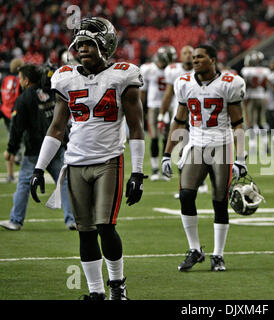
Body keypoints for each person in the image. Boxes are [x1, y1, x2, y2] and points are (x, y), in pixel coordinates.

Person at [29, 17, 146, 300]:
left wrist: (138, 172)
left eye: (89, 44)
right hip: (75, 162)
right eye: (79, 44)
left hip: (109, 160)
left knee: (106, 227)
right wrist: (39, 168)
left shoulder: (123, 74)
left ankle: (117, 286)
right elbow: (57, 127)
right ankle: (96, 292)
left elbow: (136, 126)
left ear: (105, 46)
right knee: (85, 232)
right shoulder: (65, 77)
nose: (82, 49)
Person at [161, 44, 247, 272]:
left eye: (200, 57)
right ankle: (195, 249)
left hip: (222, 145)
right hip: (196, 145)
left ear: (213, 59)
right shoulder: (184, 82)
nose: (195, 60)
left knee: (220, 200)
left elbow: (238, 124)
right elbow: (179, 121)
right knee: (186, 195)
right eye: (194, 57)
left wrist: (241, 158)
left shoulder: (230, 83)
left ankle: (218, 254)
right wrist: (167, 154)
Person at [0, 64, 76, 231]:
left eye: (20, 78)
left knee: (24, 184)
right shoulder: (48, 94)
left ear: (26, 81)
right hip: (55, 146)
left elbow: (17, 128)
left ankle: (16, 220)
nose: (19, 81)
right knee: (64, 182)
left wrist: (11, 150)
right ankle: (71, 220)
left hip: (35, 150)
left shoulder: (23, 99)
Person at [157, 45, 208, 195]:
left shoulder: (200, 70)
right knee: (181, 151)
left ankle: (201, 181)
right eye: (184, 52)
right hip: (179, 115)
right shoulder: (173, 70)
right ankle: (185, 185)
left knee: (199, 149)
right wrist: (162, 114)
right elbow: (168, 95)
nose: (187, 55)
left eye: (190, 53)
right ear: (180, 55)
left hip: (197, 116)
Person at [140, 45, 176, 180]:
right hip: (154, 106)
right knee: (154, 137)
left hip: (169, 106)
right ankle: (155, 169)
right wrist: (142, 109)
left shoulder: (173, 70)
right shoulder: (148, 69)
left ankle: (165, 169)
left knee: (167, 139)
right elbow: (143, 91)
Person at [241, 51, 270, 153]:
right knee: (261, 122)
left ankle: (253, 147)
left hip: (251, 97)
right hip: (262, 96)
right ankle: (266, 146)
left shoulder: (247, 70)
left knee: (250, 123)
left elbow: (245, 84)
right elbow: (266, 85)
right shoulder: (265, 70)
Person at [1, 58, 24, 182]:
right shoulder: (20, 79)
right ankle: (19, 156)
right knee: (22, 140)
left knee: (11, 141)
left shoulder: (5, 79)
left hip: (5, 112)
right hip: (17, 113)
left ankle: (10, 175)